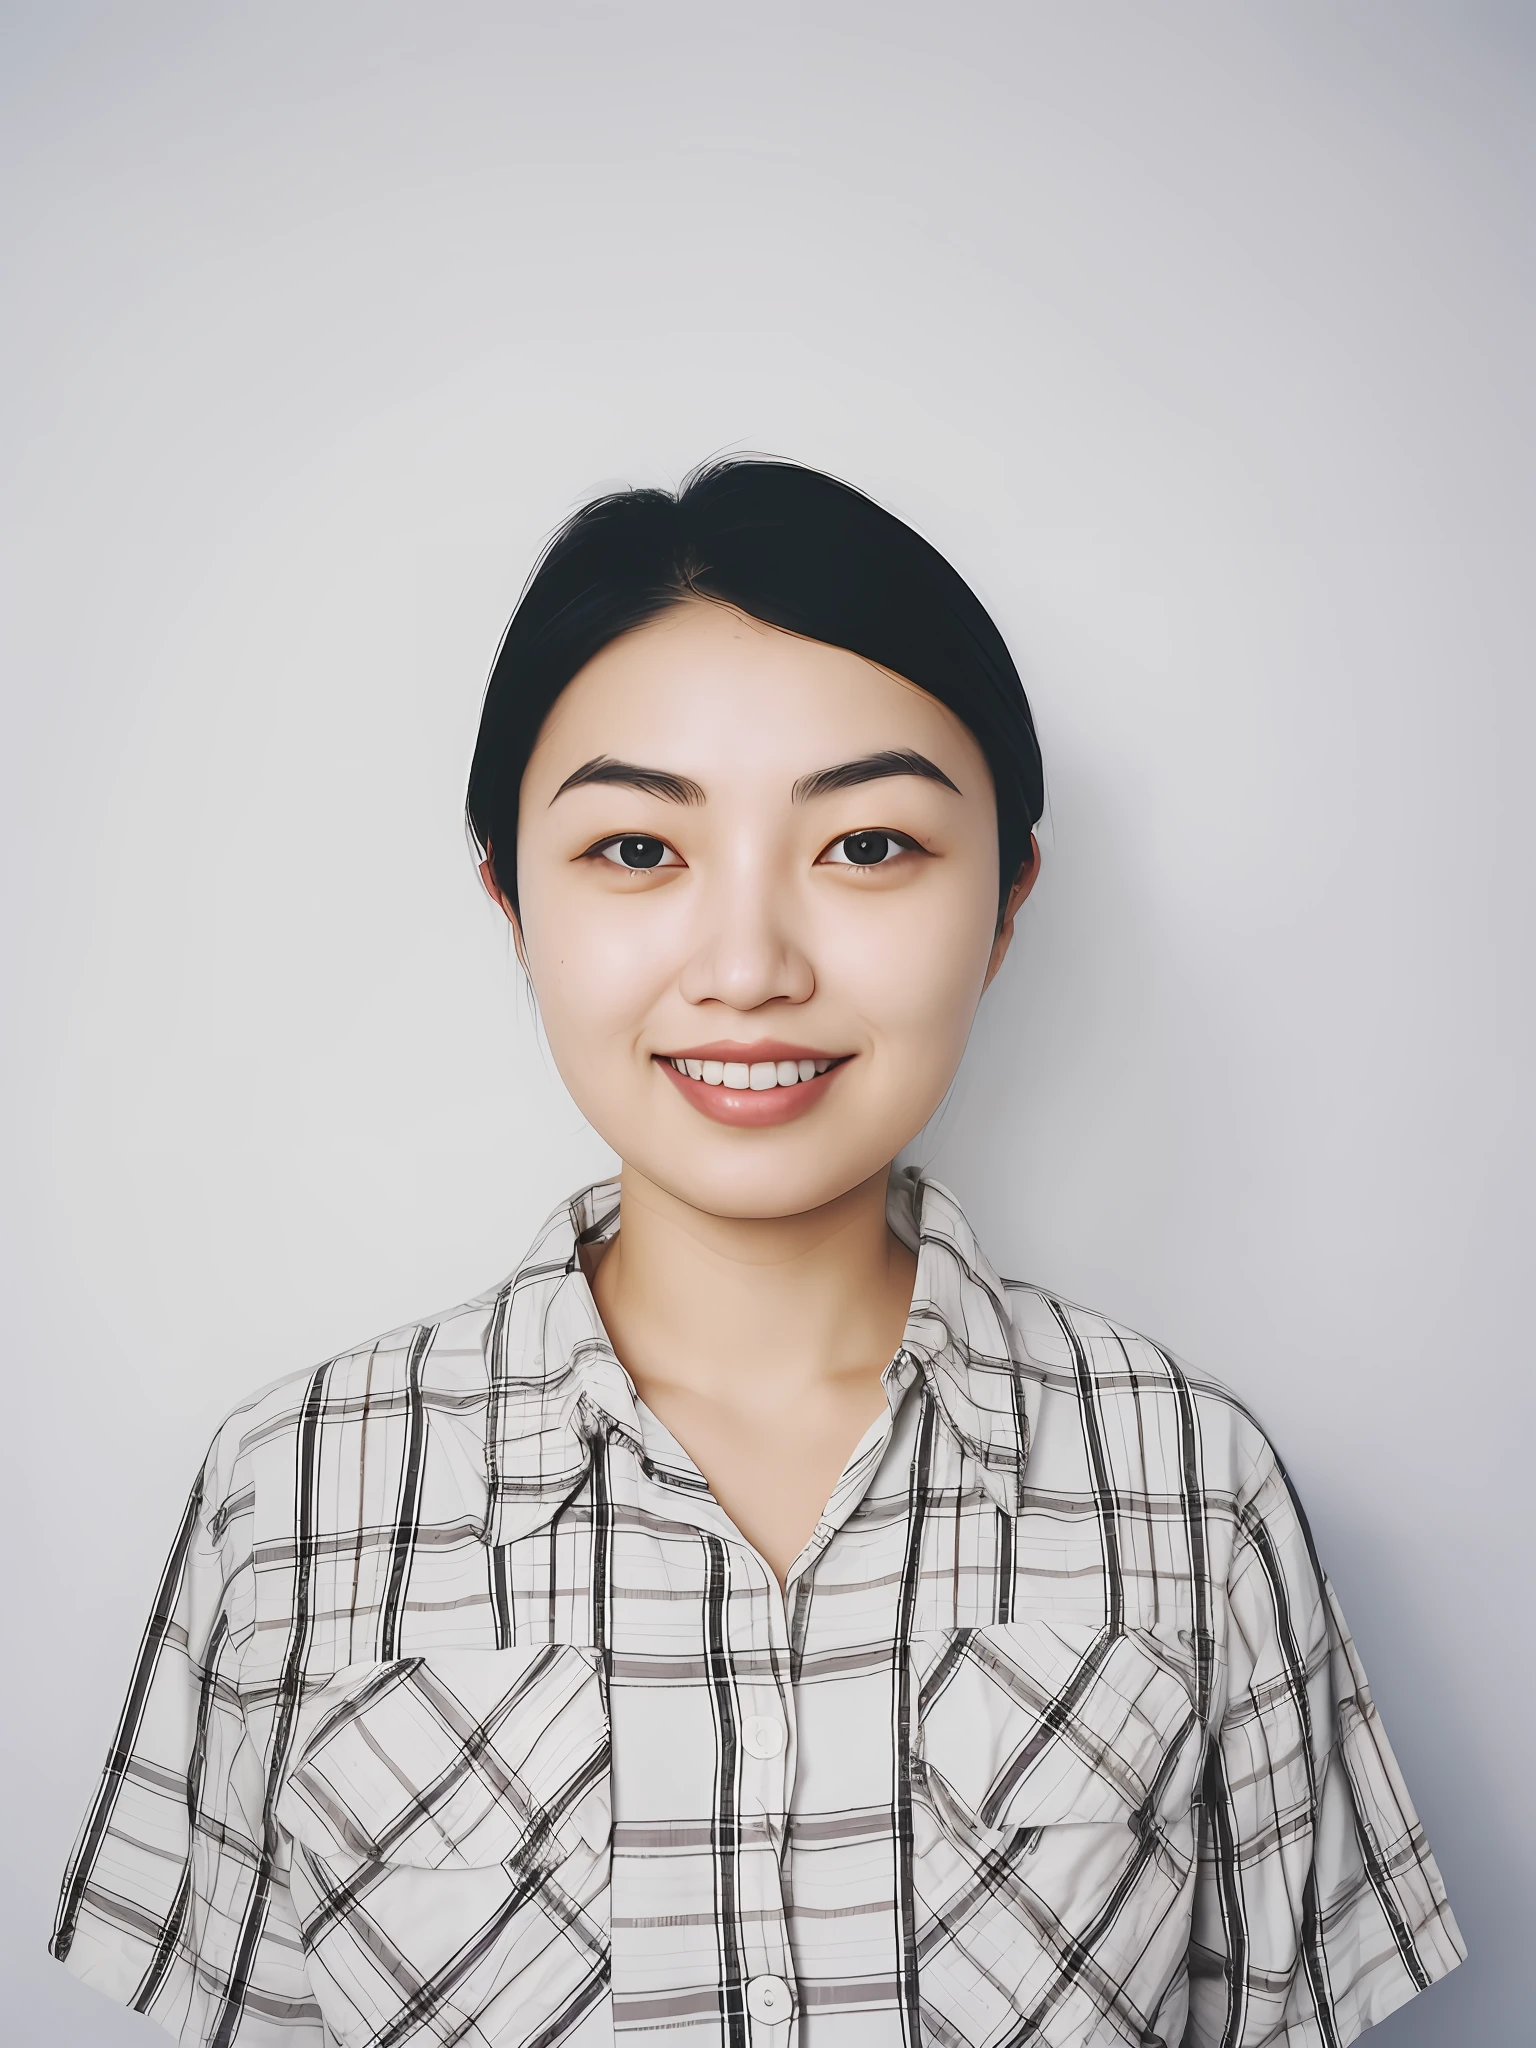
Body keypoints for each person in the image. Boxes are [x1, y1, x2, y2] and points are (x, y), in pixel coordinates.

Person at [51, 459, 1463, 2047]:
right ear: (511, 902)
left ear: (1006, 906)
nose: (746, 967)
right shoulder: (290, 1497)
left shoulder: (1193, 1485)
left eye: (865, 846)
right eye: (639, 851)